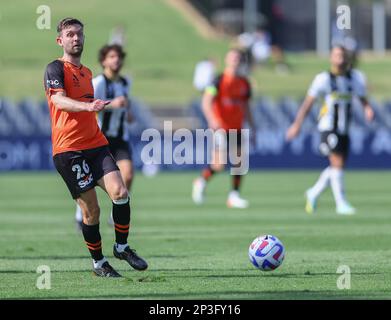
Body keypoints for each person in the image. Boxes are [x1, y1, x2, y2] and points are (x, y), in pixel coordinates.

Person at [44, 17, 148, 277]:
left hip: (97, 145)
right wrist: (88, 107)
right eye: (70, 34)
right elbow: (60, 102)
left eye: (79, 34)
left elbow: (96, 106)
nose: (76, 38)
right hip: (69, 150)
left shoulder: (88, 73)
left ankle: (122, 247)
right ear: (60, 40)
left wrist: (101, 107)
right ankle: (99, 263)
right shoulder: (55, 69)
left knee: (121, 191)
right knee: (92, 211)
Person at [286, 45, 374, 215]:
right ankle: (341, 203)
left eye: (343, 54)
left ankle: (313, 192)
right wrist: (297, 125)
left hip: (344, 128)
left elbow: (363, 98)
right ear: (331, 58)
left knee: (336, 167)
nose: (340, 58)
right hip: (328, 126)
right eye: (336, 55)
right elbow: (307, 104)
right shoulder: (323, 79)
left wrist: (368, 109)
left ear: (347, 58)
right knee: (337, 164)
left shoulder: (354, 78)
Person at [75, 44, 134, 228]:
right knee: (90, 182)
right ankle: (80, 213)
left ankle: (115, 214)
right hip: (100, 138)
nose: (116, 60)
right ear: (104, 61)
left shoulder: (125, 82)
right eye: (111, 56)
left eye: (118, 56)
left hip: (120, 137)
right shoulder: (99, 83)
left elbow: (125, 104)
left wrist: (128, 112)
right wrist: (112, 104)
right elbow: (89, 108)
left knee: (128, 175)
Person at [192, 48, 256, 209]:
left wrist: (253, 127)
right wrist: (212, 120)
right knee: (219, 164)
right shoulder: (218, 80)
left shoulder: (244, 83)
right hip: (222, 127)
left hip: (238, 127)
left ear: (241, 61)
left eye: (238, 58)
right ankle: (201, 180)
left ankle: (234, 196)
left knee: (239, 163)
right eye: (232, 57)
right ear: (227, 60)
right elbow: (206, 101)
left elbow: (247, 106)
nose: (235, 60)